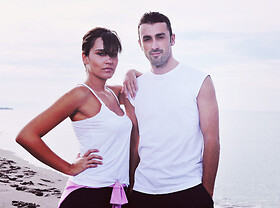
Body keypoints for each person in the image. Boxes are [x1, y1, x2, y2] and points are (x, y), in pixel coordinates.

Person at [16, 27, 136, 208]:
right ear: (85, 57)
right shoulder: (80, 95)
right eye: (101, 53)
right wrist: (69, 168)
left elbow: (142, 83)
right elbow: (27, 135)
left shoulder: (113, 92)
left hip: (115, 193)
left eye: (113, 54)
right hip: (87, 194)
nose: (109, 61)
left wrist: (131, 72)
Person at [123, 12, 220, 208]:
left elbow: (212, 139)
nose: (155, 45)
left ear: (172, 39)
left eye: (160, 37)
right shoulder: (135, 87)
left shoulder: (199, 81)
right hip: (143, 191)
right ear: (140, 44)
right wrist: (131, 185)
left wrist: (207, 192)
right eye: (147, 39)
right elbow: (135, 143)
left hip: (188, 189)